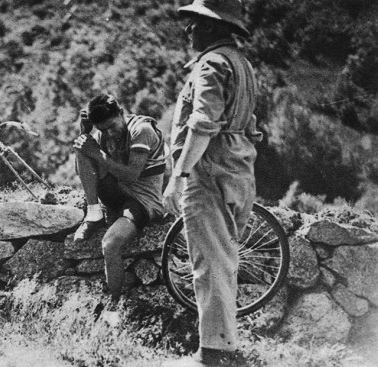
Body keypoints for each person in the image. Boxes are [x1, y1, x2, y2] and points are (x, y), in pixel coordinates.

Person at [162, 0, 262, 366]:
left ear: (211, 27)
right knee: (224, 260)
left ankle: (213, 355)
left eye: (195, 24)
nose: (189, 30)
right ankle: (226, 346)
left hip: (210, 169)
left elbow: (202, 124)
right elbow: (248, 122)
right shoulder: (242, 64)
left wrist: (179, 174)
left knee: (209, 263)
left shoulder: (211, 65)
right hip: (238, 166)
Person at [72, 94, 166, 306]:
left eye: (112, 126)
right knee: (82, 145)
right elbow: (83, 165)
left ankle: (114, 305)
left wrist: (97, 153)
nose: (109, 134)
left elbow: (131, 175)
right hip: (117, 192)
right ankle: (94, 212)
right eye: (102, 130)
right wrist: (85, 133)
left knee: (111, 243)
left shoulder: (142, 130)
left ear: (122, 113)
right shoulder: (104, 132)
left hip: (142, 201)